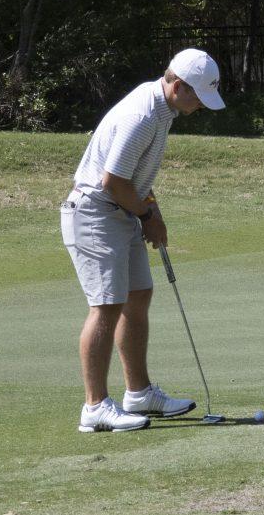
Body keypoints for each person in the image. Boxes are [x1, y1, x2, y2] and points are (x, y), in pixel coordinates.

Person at [61, 48, 225, 432]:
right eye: (198, 96)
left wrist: (152, 209)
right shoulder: (142, 116)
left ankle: (139, 394)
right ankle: (95, 407)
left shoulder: (163, 109)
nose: (201, 105)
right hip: (95, 213)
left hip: (122, 211)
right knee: (106, 306)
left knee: (138, 295)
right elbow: (113, 182)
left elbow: (133, 179)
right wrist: (147, 215)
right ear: (178, 85)